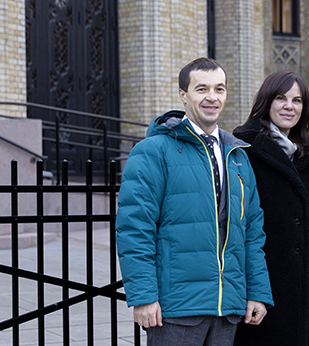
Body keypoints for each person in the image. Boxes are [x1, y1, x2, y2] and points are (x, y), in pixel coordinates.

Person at [116, 57, 273, 345]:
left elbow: (251, 231)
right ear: (183, 95)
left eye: (219, 89)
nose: (212, 97)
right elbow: (134, 229)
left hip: (228, 307)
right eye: (202, 89)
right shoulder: (153, 151)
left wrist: (258, 292)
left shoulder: (237, 156)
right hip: (175, 309)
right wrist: (143, 297)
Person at [232, 71, 309, 346]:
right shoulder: (244, 149)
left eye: (297, 100)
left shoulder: (308, 153)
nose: (289, 106)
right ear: (267, 101)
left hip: (303, 287)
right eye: (281, 98)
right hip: (261, 286)